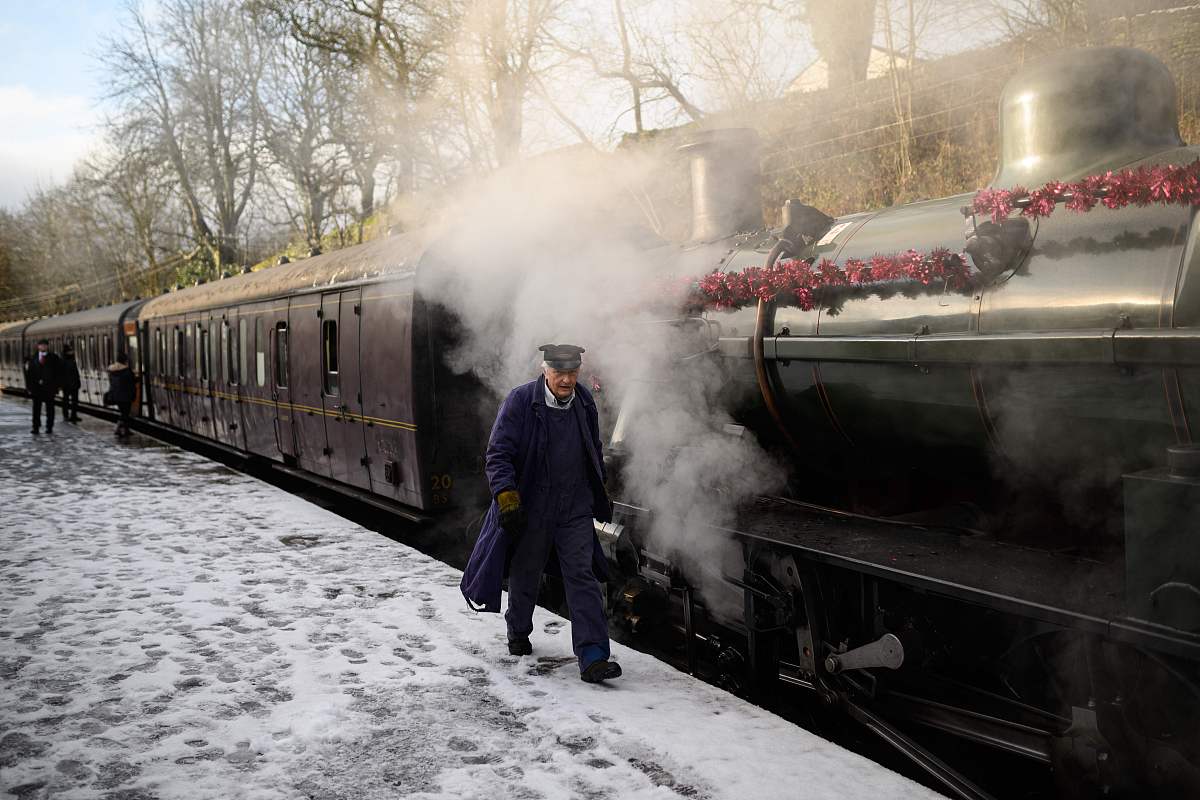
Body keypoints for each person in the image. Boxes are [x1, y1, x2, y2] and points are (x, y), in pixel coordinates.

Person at [461, 343, 622, 684]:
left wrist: (599, 483)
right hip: (533, 505)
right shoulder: (520, 401)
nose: (567, 380)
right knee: (526, 572)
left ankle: (593, 656)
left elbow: (592, 446)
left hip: (574, 506)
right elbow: (499, 453)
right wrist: (506, 497)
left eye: (573, 373)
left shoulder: (583, 401)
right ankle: (518, 630)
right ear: (545, 370)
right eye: (560, 373)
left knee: (582, 576)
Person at [24, 339, 61, 434]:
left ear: (47, 346)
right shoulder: (33, 358)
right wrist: (29, 387)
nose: (43, 347)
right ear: (38, 346)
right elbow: (29, 374)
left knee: (50, 409)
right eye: (41, 345)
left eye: (45, 345)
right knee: (36, 409)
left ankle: (49, 427)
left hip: (49, 388)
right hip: (36, 388)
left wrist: (57, 386)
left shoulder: (54, 358)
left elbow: (58, 373)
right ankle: (35, 427)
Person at [106, 353, 136, 438]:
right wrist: (133, 394)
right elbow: (131, 383)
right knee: (125, 413)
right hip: (126, 395)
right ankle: (118, 428)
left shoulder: (112, 371)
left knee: (123, 412)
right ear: (125, 361)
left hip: (116, 395)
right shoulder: (127, 371)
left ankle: (126, 429)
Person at [60, 344, 81, 423]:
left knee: (74, 401)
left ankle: (73, 415)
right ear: (67, 352)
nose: (72, 352)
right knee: (66, 400)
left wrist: (78, 382)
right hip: (67, 384)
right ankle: (66, 415)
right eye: (70, 351)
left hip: (74, 384)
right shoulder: (63, 361)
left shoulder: (72, 360)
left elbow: (75, 372)